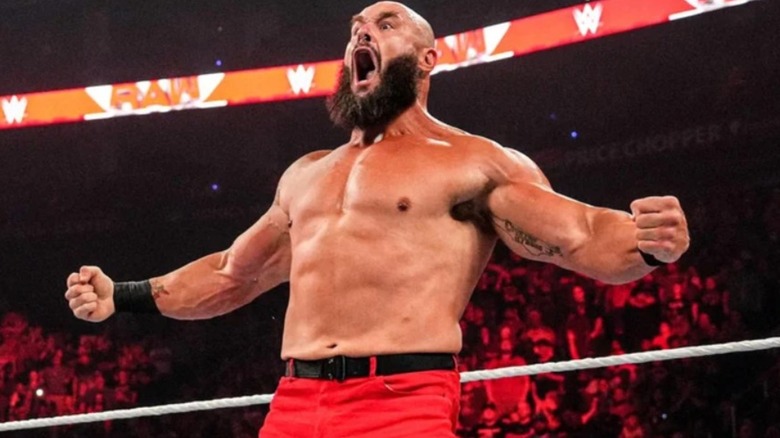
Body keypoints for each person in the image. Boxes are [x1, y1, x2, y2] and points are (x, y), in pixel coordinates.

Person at [63, 2, 690, 436]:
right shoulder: (305, 173)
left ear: (426, 59)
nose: (362, 33)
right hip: (294, 403)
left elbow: (578, 236)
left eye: (384, 24)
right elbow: (233, 275)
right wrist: (123, 295)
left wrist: (647, 242)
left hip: (402, 402)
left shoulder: (473, 162)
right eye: (355, 28)